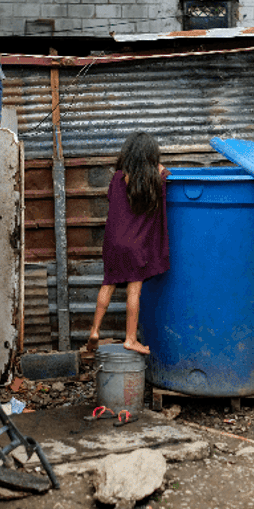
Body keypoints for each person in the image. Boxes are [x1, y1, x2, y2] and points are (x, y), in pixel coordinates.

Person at [87, 132, 170, 355]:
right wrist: (158, 167)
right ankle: (131, 339)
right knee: (134, 291)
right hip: (137, 247)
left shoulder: (117, 178)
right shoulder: (156, 180)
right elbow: (165, 176)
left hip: (113, 243)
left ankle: (95, 330)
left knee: (108, 283)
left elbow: (112, 200)